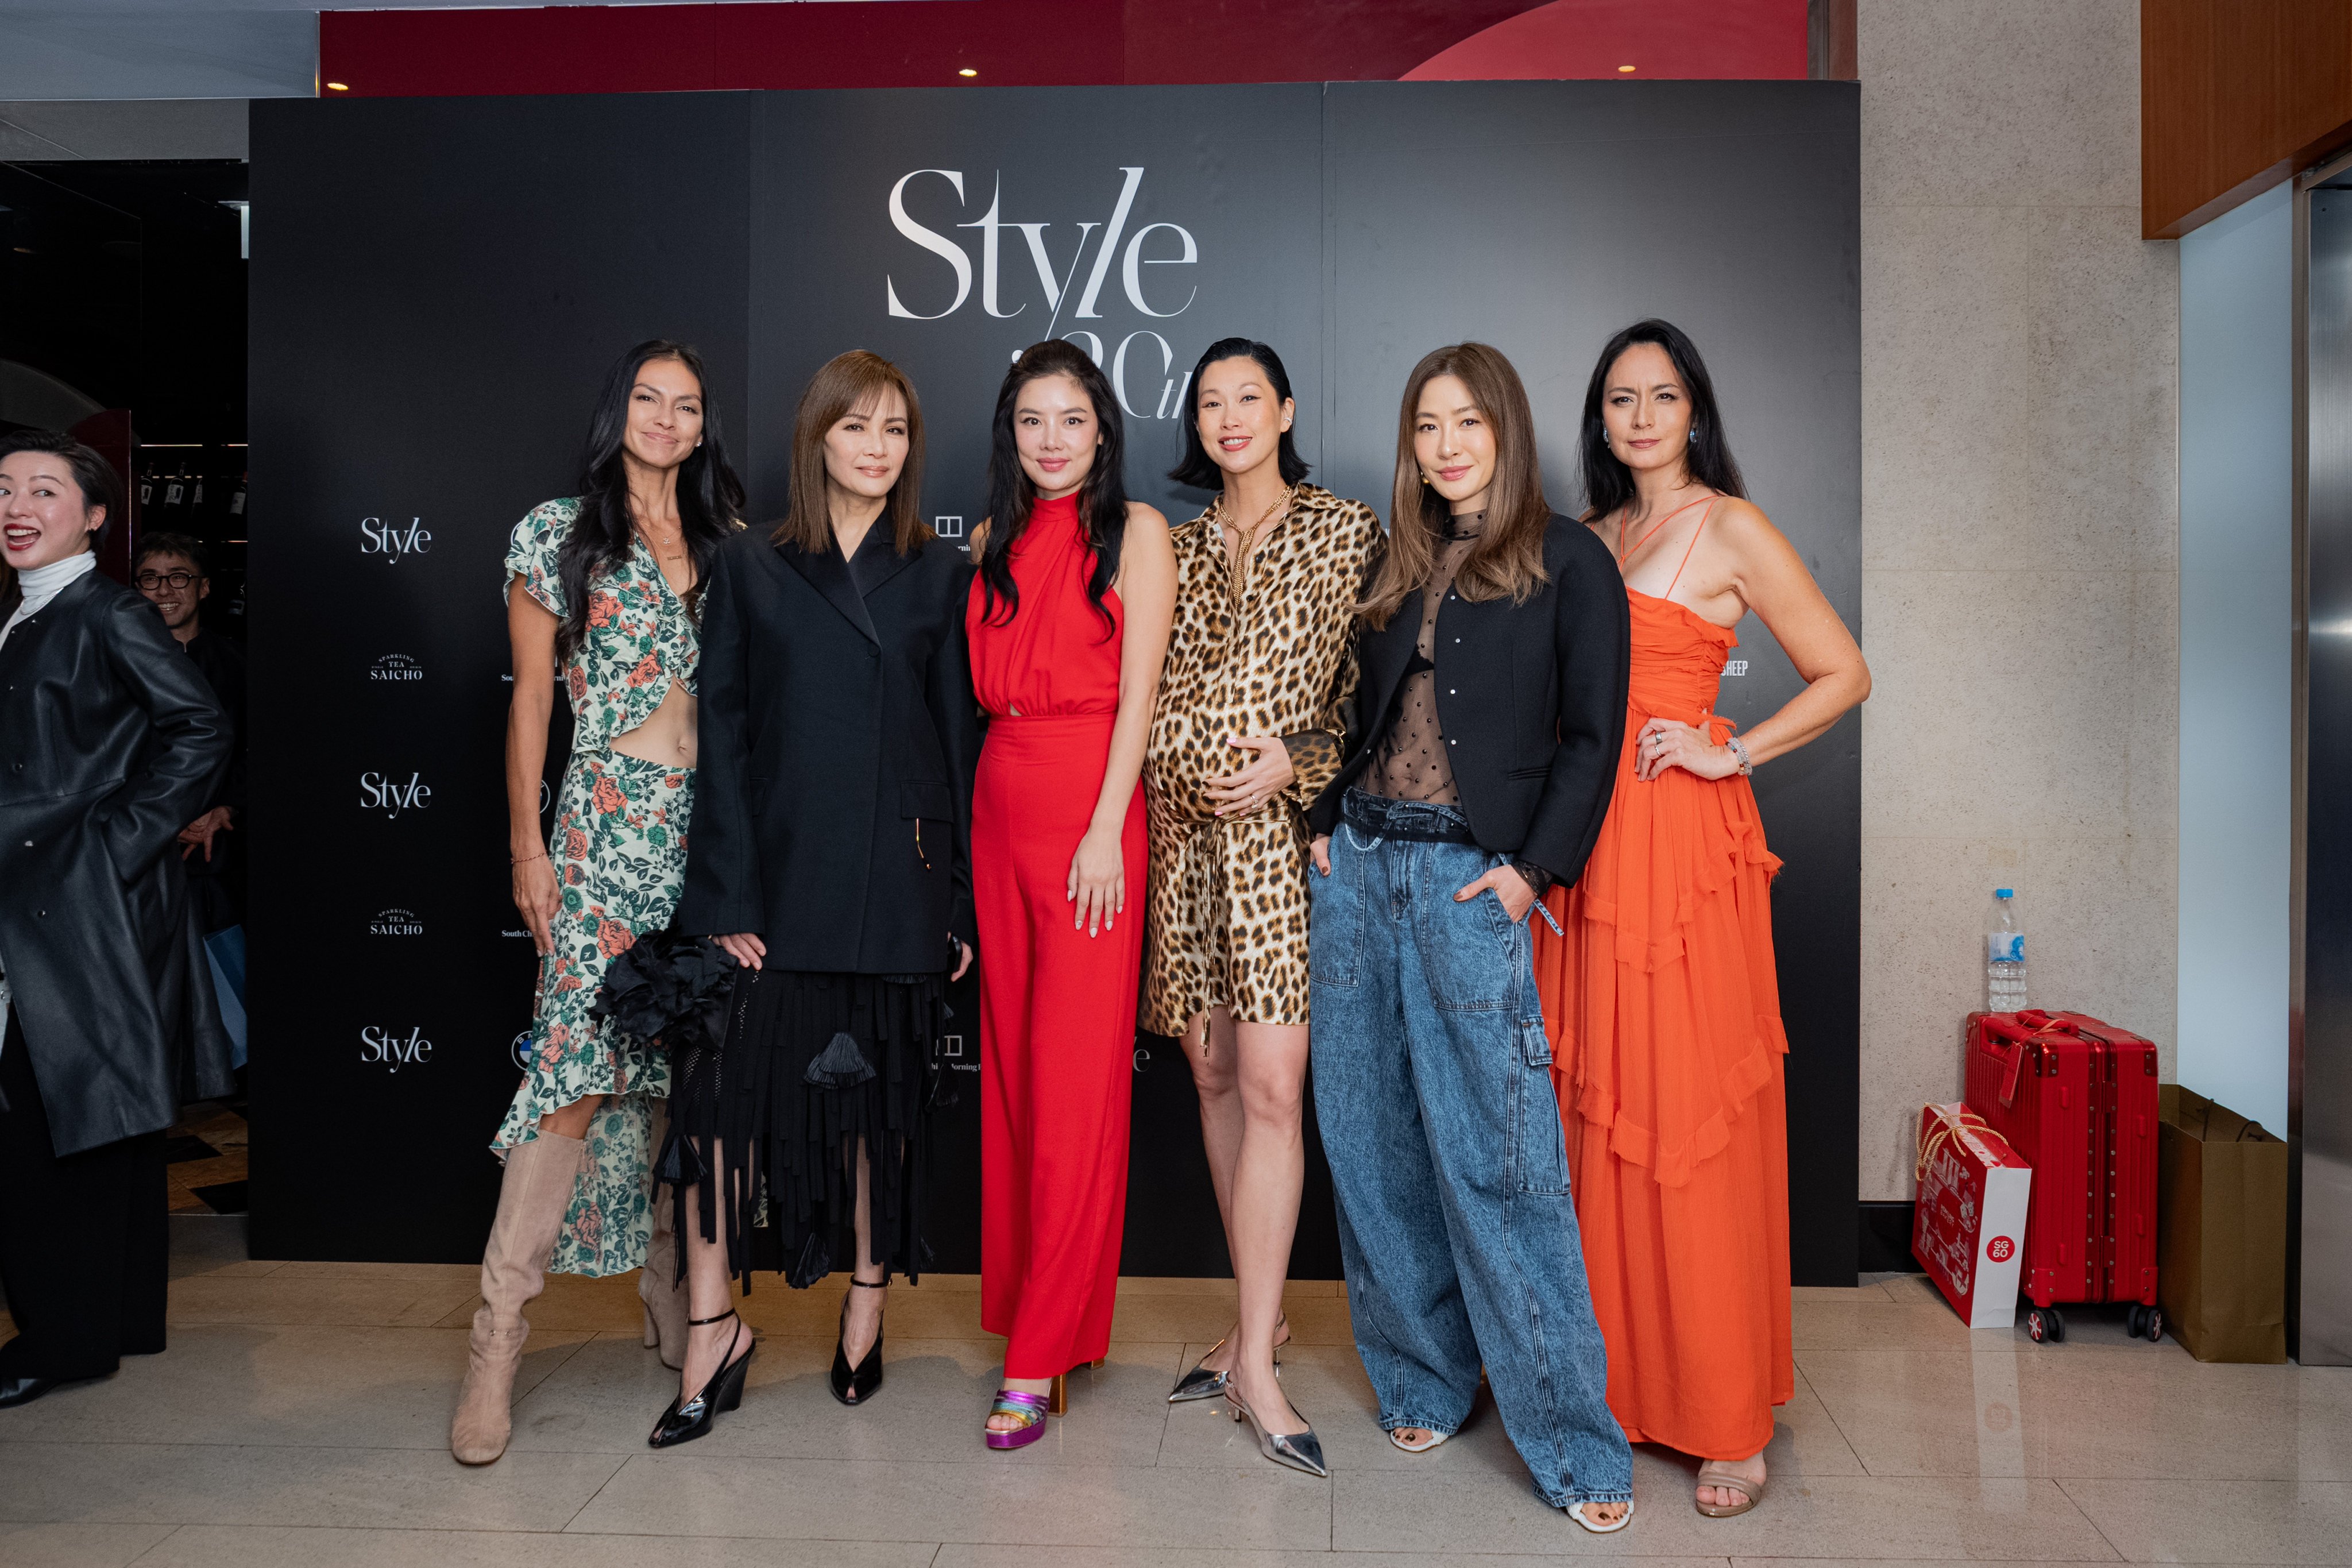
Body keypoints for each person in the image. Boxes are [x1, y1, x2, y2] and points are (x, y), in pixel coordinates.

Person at [1532, 319, 1868, 1519]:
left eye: (1659, 396)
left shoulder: (1729, 525)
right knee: (1592, 1115)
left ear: (1692, 410)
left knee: (1683, 1114)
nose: (1637, 417)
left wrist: (1734, 749)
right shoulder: (1583, 535)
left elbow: (1844, 671)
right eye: (1619, 397)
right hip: (1580, 847)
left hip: (1677, 853)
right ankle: (1607, 1384)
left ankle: (1723, 1411)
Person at [1306, 343, 1635, 1530]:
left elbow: (1593, 738)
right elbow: (1357, 712)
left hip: (1463, 881)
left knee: (1499, 1163)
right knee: (1369, 1141)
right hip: (1357, 870)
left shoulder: (1570, 562)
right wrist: (1319, 827)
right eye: (1425, 427)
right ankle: (1422, 1378)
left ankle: (1573, 1445)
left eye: (1466, 423)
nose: (1444, 446)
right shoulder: (1399, 560)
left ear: (1504, 427)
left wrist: (1527, 872)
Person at [650, 349, 978, 1447]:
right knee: (719, 1118)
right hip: (774, 887)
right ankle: (713, 1332)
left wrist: (961, 905)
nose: (877, 448)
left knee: (877, 1120)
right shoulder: (750, 565)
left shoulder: (937, 573)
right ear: (818, 440)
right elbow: (725, 738)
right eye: (856, 428)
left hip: (897, 885)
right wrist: (726, 895)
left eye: (895, 430)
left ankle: (868, 1306)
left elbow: (958, 746)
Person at [450, 340, 744, 1465]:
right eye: (647, 398)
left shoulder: (726, 546)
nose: (666, 419)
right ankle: (495, 1345)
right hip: (602, 829)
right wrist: (528, 847)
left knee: (683, 1076)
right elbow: (530, 702)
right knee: (571, 1078)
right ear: (616, 409)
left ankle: (676, 1309)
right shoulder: (558, 535)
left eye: (687, 405)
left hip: (701, 839)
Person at [1142, 337, 1381, 1473]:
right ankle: (1258, 1323)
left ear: (1284, 409)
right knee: (1214, 1077)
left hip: (1281, 852)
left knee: (1276, 1088)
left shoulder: (1344, 532)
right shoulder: (1173, 546)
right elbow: (1142, 689)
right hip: (1184, 847)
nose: (1229, 417)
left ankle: (1256, 1367)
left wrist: (1299, 759)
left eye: (1248, 397)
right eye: (1209, 402)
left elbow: (1364, 700)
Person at [968, 340, 1174, 1450]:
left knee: (1076, 1082)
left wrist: (1105, 827)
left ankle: (1036, 1356)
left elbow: (1138, 686)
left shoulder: (1137, 533)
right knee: (1010, 1078)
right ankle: (1045, 1322)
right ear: (1013, 433)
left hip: (1091, 814)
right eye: (1033, 421)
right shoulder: (992, 540)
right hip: (998, 808)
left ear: (1104, 433)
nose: (1052, 441)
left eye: (1073, 421)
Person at [0, 432, 231, 1407]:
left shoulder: (107, 610)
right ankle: (123, 1319)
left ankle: (63, 1339)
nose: (18, 505)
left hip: (81, 905)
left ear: (94, 517)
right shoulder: (27, 615)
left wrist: (113, 839)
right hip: (56, 903)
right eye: (6, 489)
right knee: (107, 1118)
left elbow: (200, 726)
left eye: (44, 491)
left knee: (51, 1121)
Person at [134, 534, 248, 1059]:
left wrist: (227, 808)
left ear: (202, 588)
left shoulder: (239, 664)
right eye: (151, 579)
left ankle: (226, 1060)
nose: (164, 590)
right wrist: (162, 815)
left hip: (220, 845)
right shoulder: (113, 664)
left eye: (178, 577)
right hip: (141, 841)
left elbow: (258, 748)